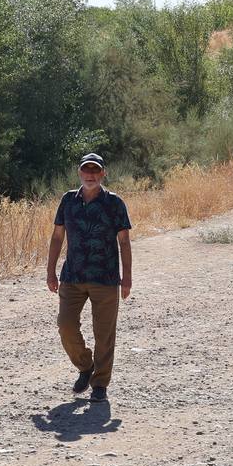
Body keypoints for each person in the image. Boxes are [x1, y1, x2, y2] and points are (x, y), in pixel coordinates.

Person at [45, 153, 132, 402]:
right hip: (72, 276)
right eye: (86, 170)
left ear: (103, 173)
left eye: (95, 170)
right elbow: (57, 237)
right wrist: (50, 271)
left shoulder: (114, 203)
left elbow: (124, 242)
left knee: (104, 334)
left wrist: (127, 278)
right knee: (65, 325)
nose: (90, 175)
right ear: (79, 172)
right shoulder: (68, 201)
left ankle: (100, 385)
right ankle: (85, 366)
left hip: (106, 278)